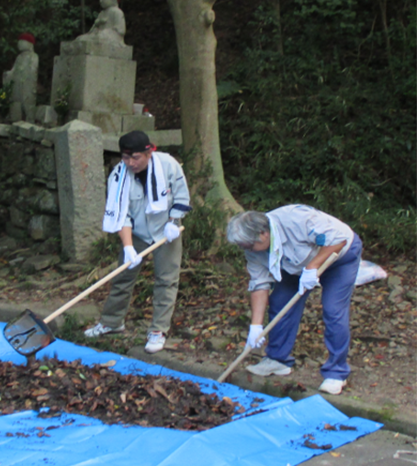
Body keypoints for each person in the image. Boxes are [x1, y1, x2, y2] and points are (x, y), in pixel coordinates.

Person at [226, 205, 363, 395]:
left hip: (338, 257)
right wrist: (256, 326)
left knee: (333, 310)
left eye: (249, 245)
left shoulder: (296, 219)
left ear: (263, 234)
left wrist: (313, 267)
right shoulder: (254, 248)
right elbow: (259, 283)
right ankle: (277, 360)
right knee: (281, 301)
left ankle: (336, 373)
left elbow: (338, 240)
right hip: (295, 265)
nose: (247, 250)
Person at [84, 130, 192, 353]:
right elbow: (121, 214)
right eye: (126, 157)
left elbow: (181, 196)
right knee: (123, 275)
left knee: (166, 280)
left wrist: (173, 221)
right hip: (136, 232)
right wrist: (128, 247)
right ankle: (112, 322)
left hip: (166, 230)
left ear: (149, 152)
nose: (130, 163)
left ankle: (158, 330)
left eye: (135, 158)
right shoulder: (118, 175)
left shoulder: (169, 165)